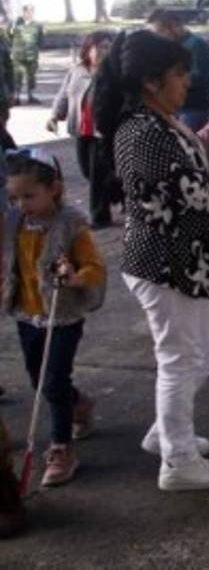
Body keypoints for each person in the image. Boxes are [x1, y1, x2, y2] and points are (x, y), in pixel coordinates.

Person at [93, 29, 209, 491]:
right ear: (151, 82)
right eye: (179, 75)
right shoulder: (143, 132)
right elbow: (201, 197)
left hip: (182, 261)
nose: (188, 82)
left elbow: (189, 171)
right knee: (181, 358)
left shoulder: (158, 123)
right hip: (165, 262)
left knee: (206, 347)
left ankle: (168, 432)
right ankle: (178, 461)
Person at [1, 147, 107, 488]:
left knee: (53, 380)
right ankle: (80, 404)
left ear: (54, 188)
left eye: (29, 196)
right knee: (39, 379)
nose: (21, 204)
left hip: (61, 315)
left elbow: (95, 268)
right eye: (13, 197)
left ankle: (61, 448)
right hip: (27, 314)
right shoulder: (14, 223)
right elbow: (9, 263)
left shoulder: (70, 225)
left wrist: (76, 276)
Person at [47, 31, 119, 228]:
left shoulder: (114, 72)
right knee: (86, 170)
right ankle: (118, 190)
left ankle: (100, 217)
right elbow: (63, 95)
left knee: (97, 174)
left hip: (102, 132)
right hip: (81, 129)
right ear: (88, 49)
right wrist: (55, 116)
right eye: (101, 46)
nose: (105, 50)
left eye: (108, 46)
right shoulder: (77, 70)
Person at [147, 9, 209, 131]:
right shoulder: (170, 45)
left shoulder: (197, 45)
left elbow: (200, 78)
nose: (157, 37)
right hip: (174, 107)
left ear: (173, 27)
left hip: (192, 109)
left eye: (159, 32)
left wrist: (167, 81)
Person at [10, 4, 43, 105]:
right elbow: (9, 36)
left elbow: (40, 40)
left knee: (31, 77)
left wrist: (38, 51)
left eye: (31, 11)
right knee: (17, 76)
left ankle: (30, 96)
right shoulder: (16, 24)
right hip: (18, 56)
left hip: (32, 56)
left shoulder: (37, 25)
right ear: (23, 12)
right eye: (27, 11)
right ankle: (16, 97)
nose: (29, 13)